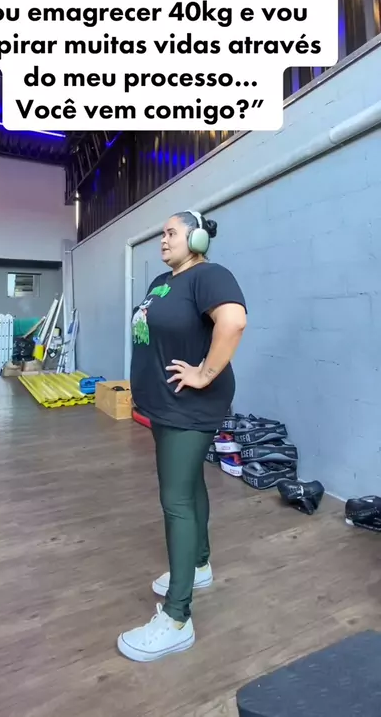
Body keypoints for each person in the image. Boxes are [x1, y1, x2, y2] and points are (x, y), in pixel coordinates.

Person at [118, 210, 247, 662]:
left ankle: (177, 618)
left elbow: (233, 322)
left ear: (196, 239)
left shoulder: (209, 276)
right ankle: (198, 563)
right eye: (162, 234)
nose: (163, 240)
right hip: (164, 402)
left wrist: (204, 373)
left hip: (190, 406)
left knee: (175, 499)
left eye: (171, 233)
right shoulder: (161, 282)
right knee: (189, 485)